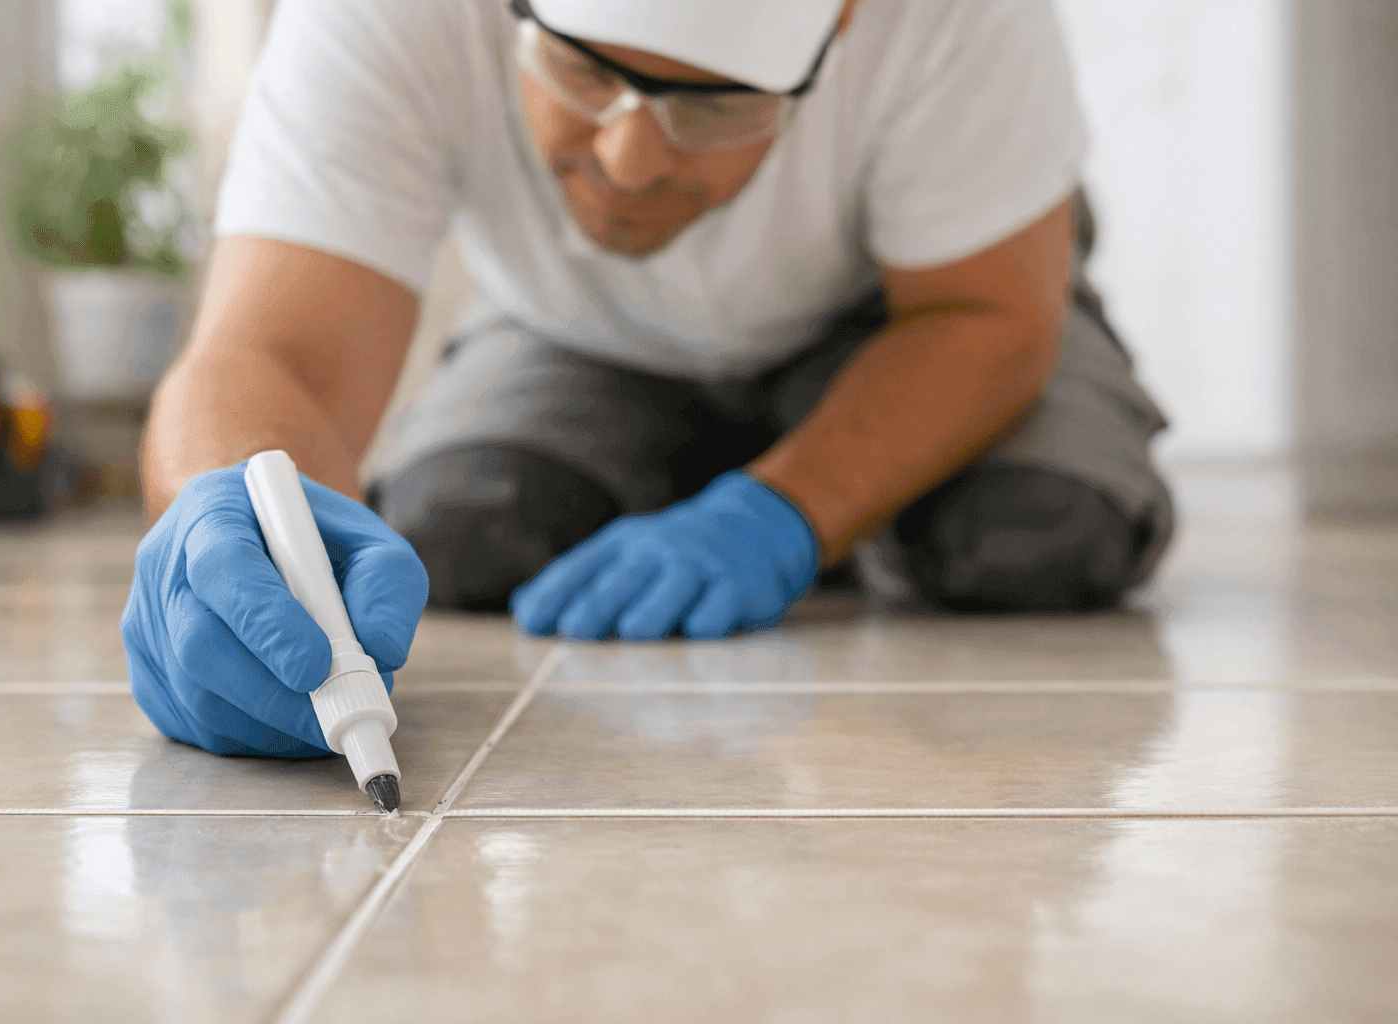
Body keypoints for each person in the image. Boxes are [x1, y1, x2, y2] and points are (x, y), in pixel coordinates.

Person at [123, 0, 1174, 756]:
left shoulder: (964, 18)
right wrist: (227, 516)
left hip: (904, 317)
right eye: (583, 74)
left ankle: (800, 481)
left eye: (713, 107)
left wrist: (782, 515)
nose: (629, 163)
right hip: (576, 324)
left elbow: (986, 315)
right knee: (469, 524)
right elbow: (269, 353)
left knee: (1034, 529)